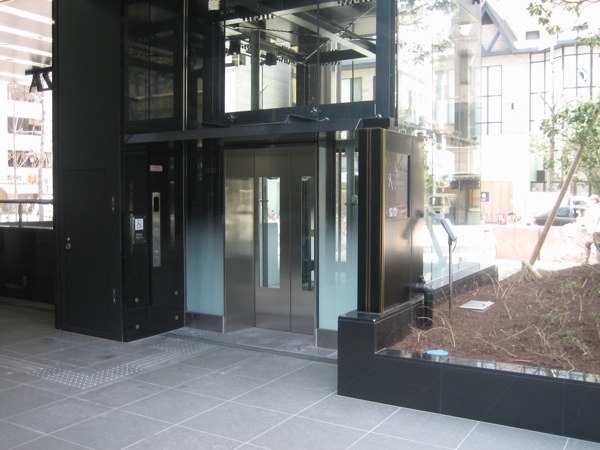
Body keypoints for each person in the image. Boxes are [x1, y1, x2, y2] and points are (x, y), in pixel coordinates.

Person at [582, 194, 600, 264]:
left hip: (594, 231)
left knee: (591, 246)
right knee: (590, 244)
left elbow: (586, 221)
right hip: (596, 230)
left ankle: (588, 262)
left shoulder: (590, 209)